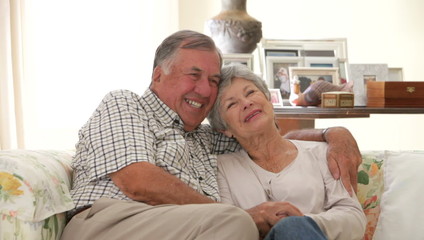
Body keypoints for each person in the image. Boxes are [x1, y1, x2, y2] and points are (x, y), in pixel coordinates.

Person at [61, 30, 362, 240]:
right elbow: (138, 180)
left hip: (184, 229)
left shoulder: (206, 139)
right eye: (193, 75)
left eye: (213, 80)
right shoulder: (125, 104)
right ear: (158, 75)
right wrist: (242, 215)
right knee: (236, 223)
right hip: (110, 224)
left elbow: (261, 135)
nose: (205, 90)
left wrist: (334, 132)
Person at [207, 63, 366, 240]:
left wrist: (302, 223)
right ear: (224, 129)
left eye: (250, 92)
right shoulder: (221, 168)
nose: (246, 103)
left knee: (292, 228)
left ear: (269, 100)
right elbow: (227, 229)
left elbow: (353, 217)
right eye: (231, 104)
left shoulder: (322, 152)